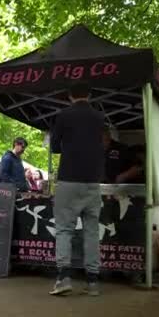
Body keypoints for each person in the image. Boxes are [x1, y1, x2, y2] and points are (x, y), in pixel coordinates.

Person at [49, 83, 105, 297]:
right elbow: (103, 145)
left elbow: (55, 147)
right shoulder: (99, 117)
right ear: (89, 94)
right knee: (91, 231)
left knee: (64, 229)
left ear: (69, 96)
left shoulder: (63, 115)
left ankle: (63, 278)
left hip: (68, 178)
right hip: (93, 181)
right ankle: (92, 282)